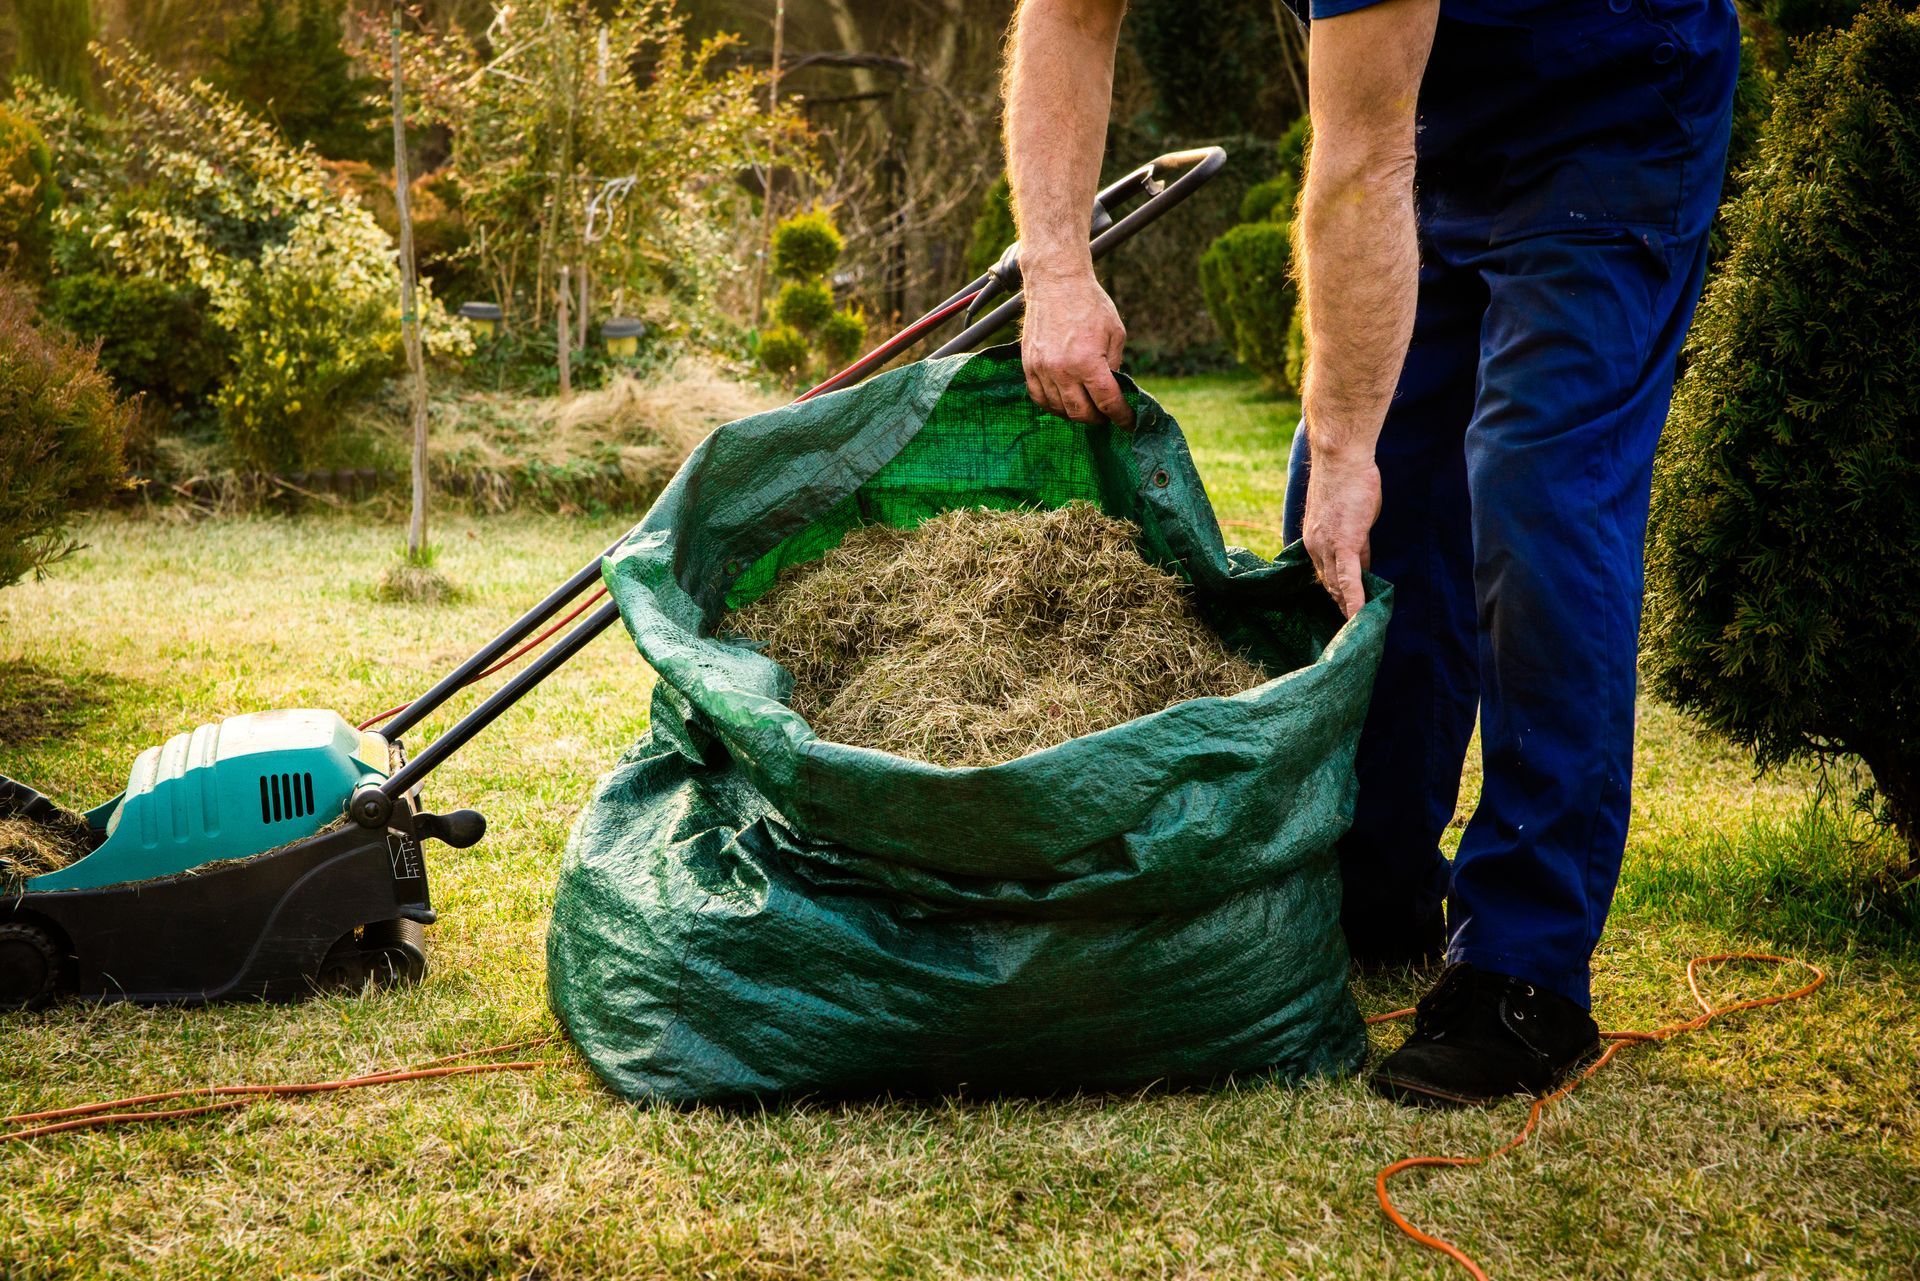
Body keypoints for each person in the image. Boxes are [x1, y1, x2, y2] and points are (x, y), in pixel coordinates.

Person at [1002, 0, 1740, 1106]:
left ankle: (1522, 976)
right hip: (1427, 103)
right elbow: (1066, 14)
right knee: (1348, 518)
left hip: (1614, 97)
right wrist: (1056, 268)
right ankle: (1370, 890)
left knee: (1535, 496)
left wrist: (1351, 445)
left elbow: (1357, 159)